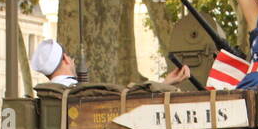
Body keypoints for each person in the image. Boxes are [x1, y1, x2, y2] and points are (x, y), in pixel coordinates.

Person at [31, 38, 190, 87]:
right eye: (71, 58)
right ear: (66, 59)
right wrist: (166, 84)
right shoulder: (79, 91)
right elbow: (130, 103)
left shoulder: (45, 96)